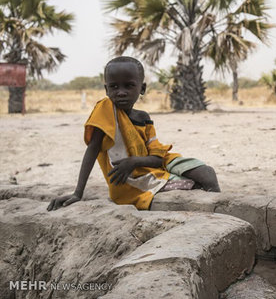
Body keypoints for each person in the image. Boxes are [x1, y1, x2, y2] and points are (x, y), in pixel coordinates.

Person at [48, 56, 220, 211]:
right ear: (106, 90)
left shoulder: (143, 118)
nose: (121, 92)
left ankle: (218, 210)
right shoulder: (106, 111)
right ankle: (211, 210)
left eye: (129, 85)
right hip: (131, 180)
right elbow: (92, 149)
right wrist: (78, 193)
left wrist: (134, 161)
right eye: (114, 87)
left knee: (207, 173)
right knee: (193, 185)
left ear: (142, 88)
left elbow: (157, 158)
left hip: (153, 164)